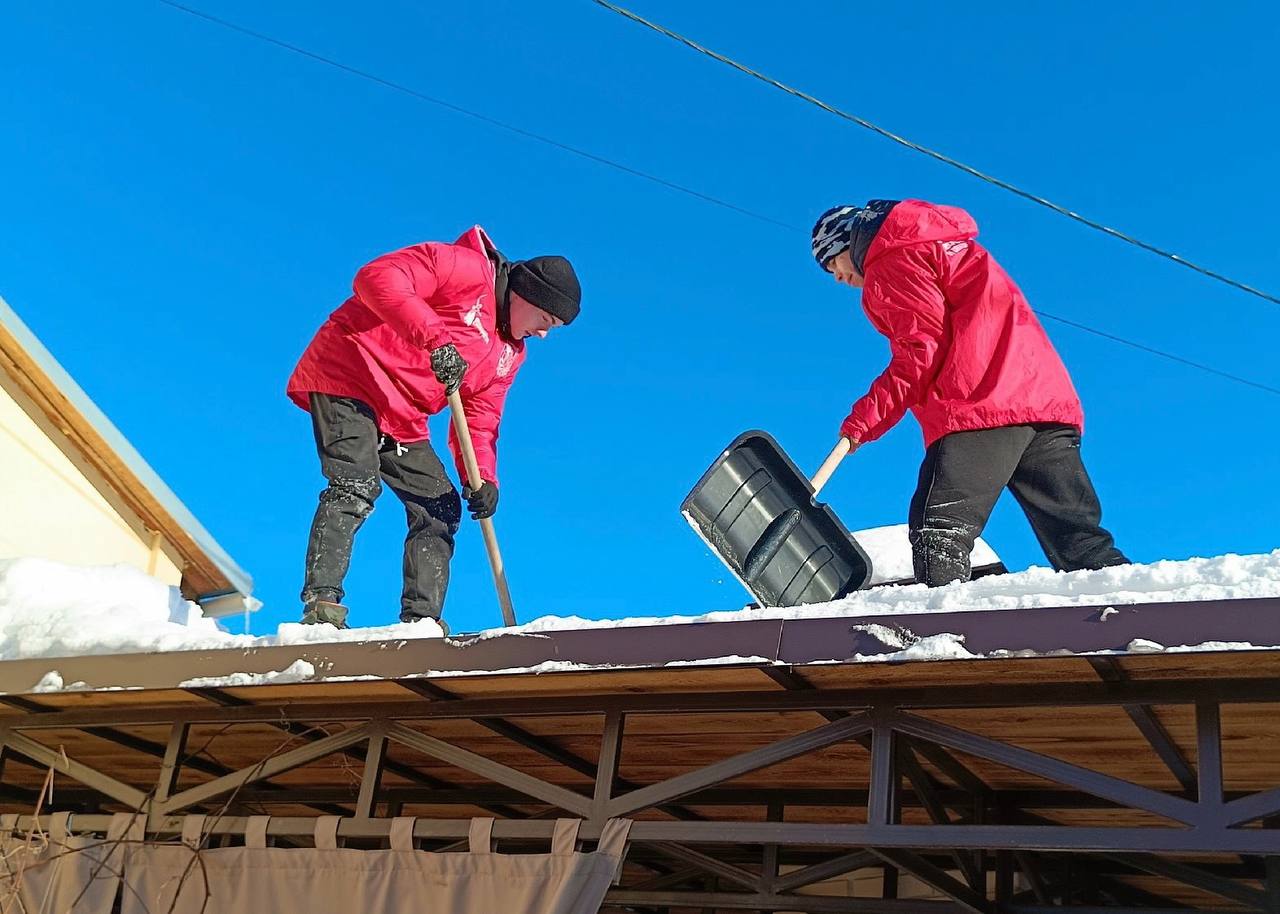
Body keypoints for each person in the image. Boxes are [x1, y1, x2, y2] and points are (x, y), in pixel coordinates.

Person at [810, 199, 1128, 586]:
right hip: (1044, 402)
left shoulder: (890, 257)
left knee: (939, 531)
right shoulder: (945, 246)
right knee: (1081, 542)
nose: (836, 277)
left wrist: (864, 421)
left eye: (831, 262)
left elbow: (921, 351)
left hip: (982, 403)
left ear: (851, 242)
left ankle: (943, 623)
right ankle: (1133, 606)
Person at [286, 226, 581, 629]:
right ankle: (322, 607)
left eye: (553, 328)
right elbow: (376, 277)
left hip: (403, 416)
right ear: (523, 295)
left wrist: (483, 478)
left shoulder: (509, 355)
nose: (543, 333)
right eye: (545, 319)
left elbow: (480, 418)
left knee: (440, 507)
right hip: (352, 373)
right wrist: (436, 340)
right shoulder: (464, 268)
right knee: (356, 483)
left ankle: (421, 623)